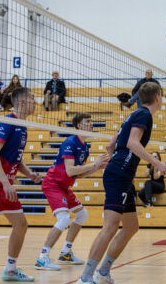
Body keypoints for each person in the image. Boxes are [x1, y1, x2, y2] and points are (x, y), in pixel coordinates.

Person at [76, 82, 166, 284]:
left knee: (131, 227)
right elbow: (132, 143)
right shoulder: (143, 115)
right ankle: (85, 278)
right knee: (110, 227)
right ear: (158, 98)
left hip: (121, 173)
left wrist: (120, 163)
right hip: (119, 174)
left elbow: (112, 144)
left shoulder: (134, 115)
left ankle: (103, 273)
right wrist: (157, 163)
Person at [35, 113, 109, 271]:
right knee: (64, 219)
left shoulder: (85, 147)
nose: (91, 124)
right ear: (78, 126)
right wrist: (93, 165)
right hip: (53, 184)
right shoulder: (70, 142)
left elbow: (79, 173)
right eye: (87, 122)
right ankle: (42, 257)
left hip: (64, 186)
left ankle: (66, 253)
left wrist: (96, 168)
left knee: (83, 215)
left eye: (91, 121)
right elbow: (70, 171)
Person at [0, 87, 42, 282]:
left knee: (21, 224)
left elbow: (16, 158)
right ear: (22, 103)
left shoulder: (21, 125)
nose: (35, 102)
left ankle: (11, 270)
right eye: (32, 99)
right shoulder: (7, 122)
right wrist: (6, 183)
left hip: (4, 186)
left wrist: (29, 172)